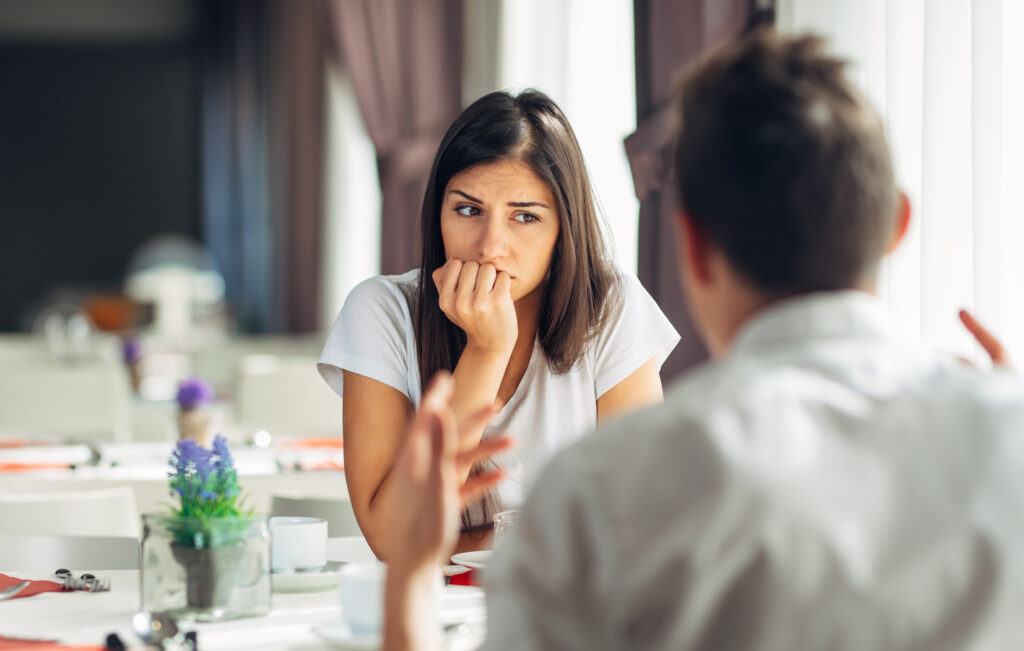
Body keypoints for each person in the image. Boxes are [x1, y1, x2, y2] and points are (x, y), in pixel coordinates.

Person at [382, 30, 1024, 651]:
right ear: (895, 225)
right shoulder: (1007, 434)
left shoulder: (601, 488)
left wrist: (411, 577)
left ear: (691, 245)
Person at [318, 90, 680, 559]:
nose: (490, 246)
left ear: (563, 231)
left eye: (525, 217)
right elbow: (393, 536)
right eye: (469, 210)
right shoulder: (381, 311)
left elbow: (631, 526)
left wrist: (464, 542)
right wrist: (486, 352)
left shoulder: (612, 309)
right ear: (438, 215)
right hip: (428, 612)